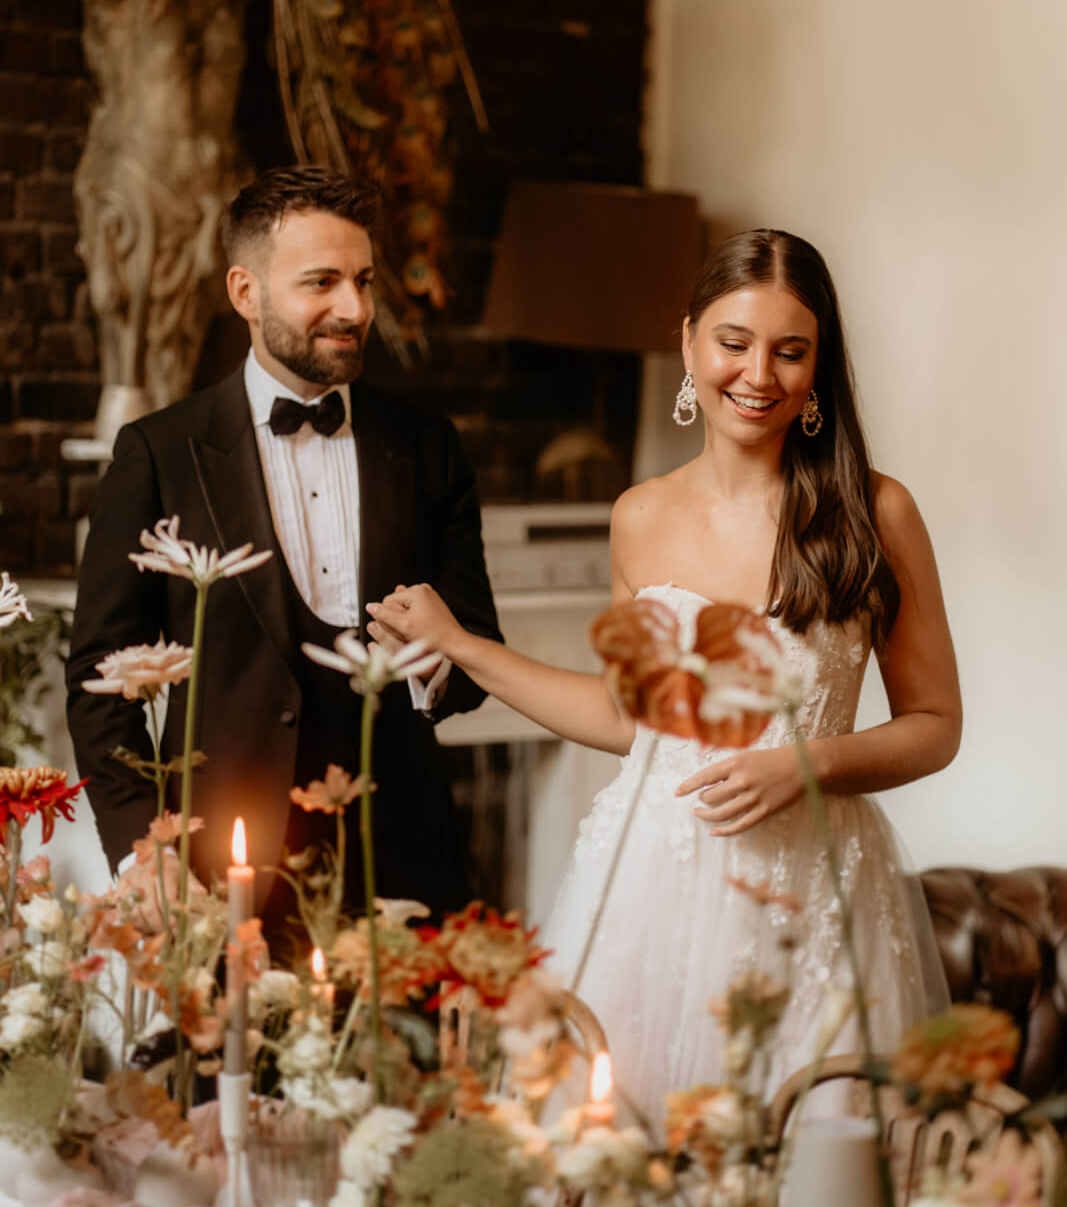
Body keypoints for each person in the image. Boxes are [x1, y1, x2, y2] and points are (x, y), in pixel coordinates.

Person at [370, 228, 960, 1117]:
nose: (757, 375)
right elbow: (626, 721)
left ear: (817, 369)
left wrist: (805, 765)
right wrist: (461, 646)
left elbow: (935, 723)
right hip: (649, 882)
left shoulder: (876, 513)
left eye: (788, 351)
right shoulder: (638, 516)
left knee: (806, 1170)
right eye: (733, 343)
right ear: (688, 342)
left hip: (812, 893)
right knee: (621, 1159)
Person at [66, 167, 502, 947]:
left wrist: (437, 662)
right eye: (322, 282)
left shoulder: (428, 449)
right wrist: (146, 849)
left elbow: (475, 659)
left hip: (400, 869)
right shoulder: (159, 454)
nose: (355, 308)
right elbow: (101, 681)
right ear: (245, 291)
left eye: (364, 281)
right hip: (216, 873)